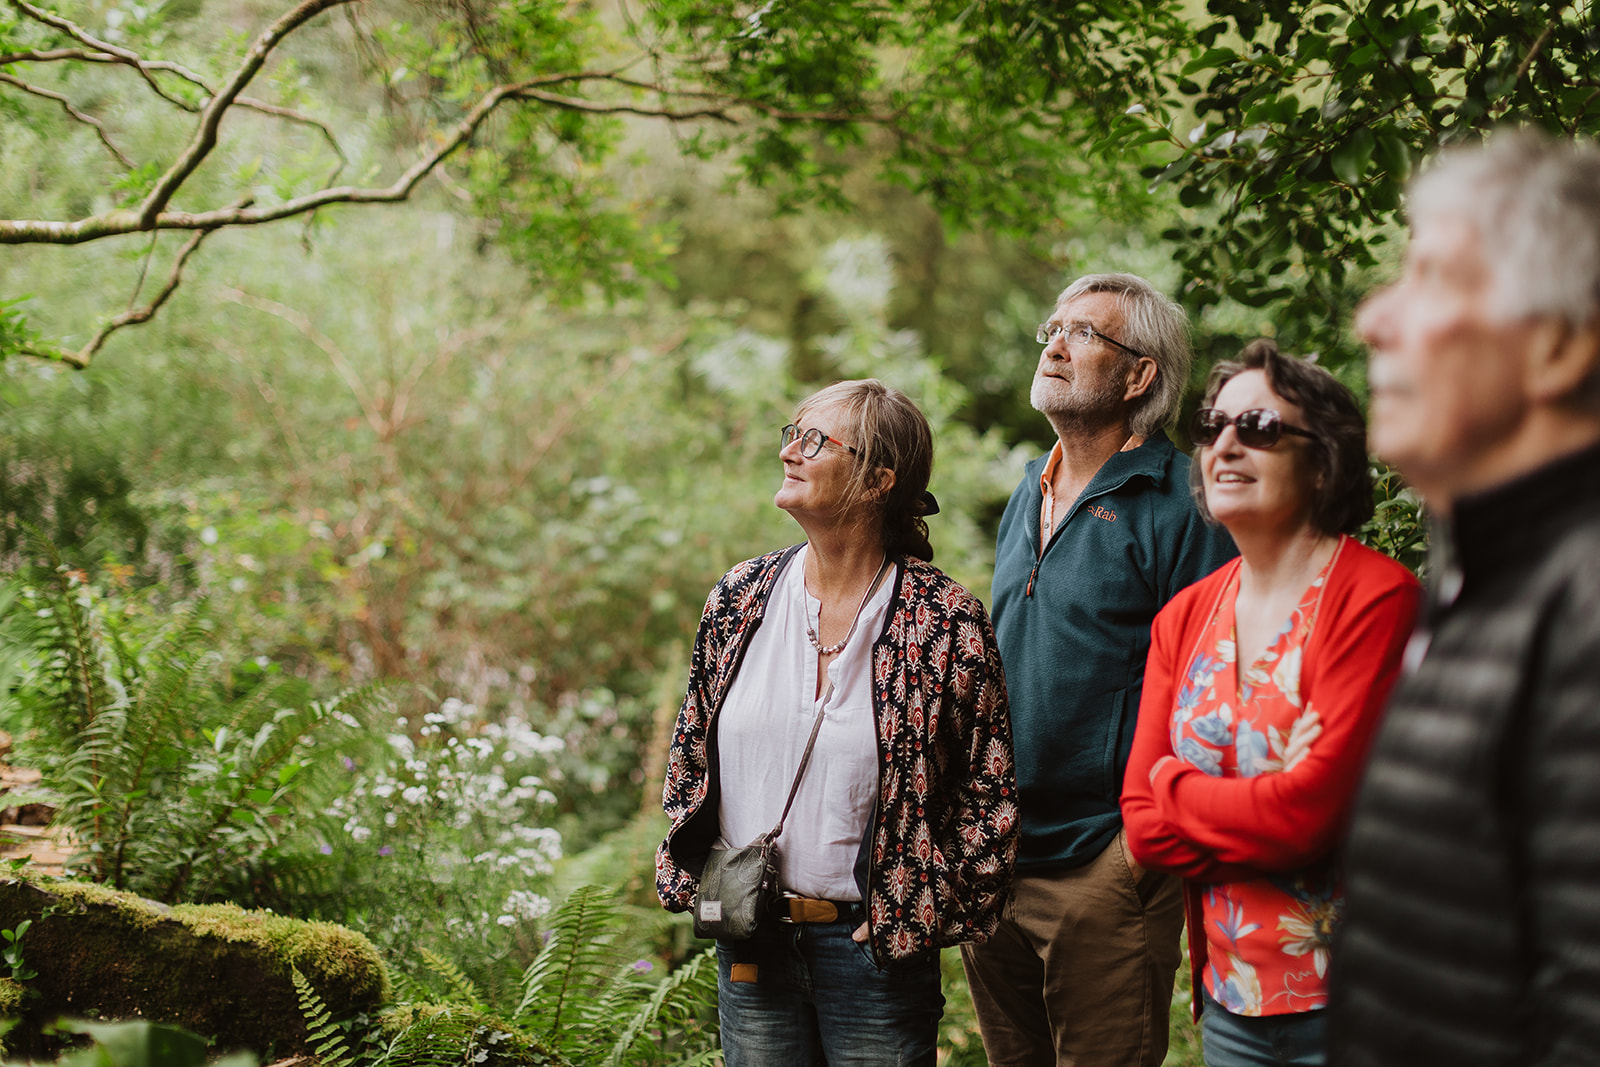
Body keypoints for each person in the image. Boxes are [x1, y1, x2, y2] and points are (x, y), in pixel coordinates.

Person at [1326, 131, 1600, 1065]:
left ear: (1557, 344)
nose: (1373, 319)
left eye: (1432, 277)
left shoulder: (1586, 600)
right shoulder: (1491, 576)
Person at [655, 378, 1019, 1066]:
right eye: (790, 433)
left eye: (814, 439)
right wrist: (696, 867)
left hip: (872, 951)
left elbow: (990, 792)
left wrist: (928, 905)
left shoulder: (945, 621)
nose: (790, 451)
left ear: (880, 478)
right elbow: (690, 753)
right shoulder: (741, 596)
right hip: (751, 938)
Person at [1120, 340, 1421, 1066]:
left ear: (1324, 461)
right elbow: (1142, 830)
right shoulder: (1184, 617)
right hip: (1230, 999)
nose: (1224, 444)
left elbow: (1309, 817)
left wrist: (1176, 783)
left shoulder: (1377, 599)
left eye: (1256, 427)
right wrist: (1254, 800)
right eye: (1213, 426)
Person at [965, 272, 1237, 1066]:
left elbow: (1215, 688)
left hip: (1104, 864)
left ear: (1138, 375)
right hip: (999, 857)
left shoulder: (1184, 503)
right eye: (1053, 327)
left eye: (1083, 333)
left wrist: (1138, 848)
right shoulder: (1028, 488)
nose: (1054, 343)